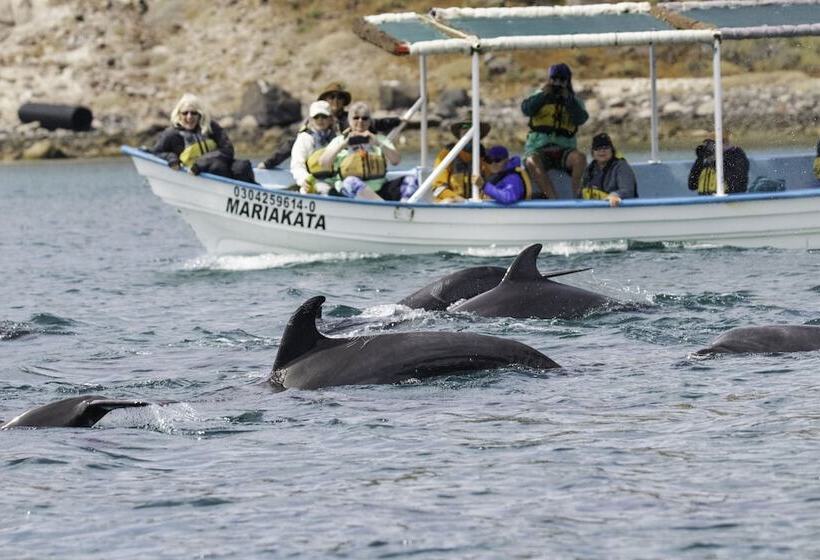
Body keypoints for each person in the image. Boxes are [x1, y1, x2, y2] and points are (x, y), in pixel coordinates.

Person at [521, 62, 589, 199]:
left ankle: (578, 196)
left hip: (564, 150)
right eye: (554, 80)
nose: (557, 84)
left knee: (580, 158)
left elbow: (581, 119)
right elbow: (526, 110)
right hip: (539, 148)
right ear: (549, 79)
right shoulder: (538, 95)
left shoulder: (574, 101)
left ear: (567, 81)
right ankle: (552, 197)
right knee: (531, 161)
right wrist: (543, 95)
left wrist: (568, 100)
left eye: (561, 80)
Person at [151, 93, 254, 182]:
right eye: (185, 113)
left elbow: (227, 149)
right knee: (217, 166)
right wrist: (171, 158)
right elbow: (156, 152)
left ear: (200, 114)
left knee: (242, 166)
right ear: (179, 114)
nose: (189, 117)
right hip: (196, 174)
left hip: (218, 172)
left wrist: (201, 164)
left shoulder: (211, 127)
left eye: (194, 113)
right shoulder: (171, 134)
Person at [258, 82, 353, 170]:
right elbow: (295, 143)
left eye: (339, 97)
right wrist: (269, 162)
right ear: (325, 100)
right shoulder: (311, 122)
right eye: (332, 97)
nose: (335, 101)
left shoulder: (352, 119)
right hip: (316, 165)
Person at [319, 101, 401, 200]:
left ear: (370, 121)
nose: (360, 121)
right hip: (351, 193)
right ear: (349, 120)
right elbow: (323, 163)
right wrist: (343, 145)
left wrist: (378, 143)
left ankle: (409, 211)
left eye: (365, 118)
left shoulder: (379, 139)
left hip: (380, 190)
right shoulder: (339, 141)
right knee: (351, 181)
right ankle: (383, 208)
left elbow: (396, 161)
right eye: (356, 118)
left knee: (412, 181)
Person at [431, 120, 490, 203]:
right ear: (459, 135)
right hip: (451, 204)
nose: (470, 138)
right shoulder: (446, 155)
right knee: (448, 201)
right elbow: (437, 187)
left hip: (477, 204)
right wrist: (458, 199)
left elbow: (491, 182)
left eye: (474, 134)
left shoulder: (485, 157)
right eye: (466, 133)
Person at [289, 100, 337, 194]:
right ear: (310, 120)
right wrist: (304, 180)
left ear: (330, 119)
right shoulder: (304, 138)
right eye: (316, 117)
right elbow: (297, 165)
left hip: (333, 182)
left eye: (324, 116)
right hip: (311, 184)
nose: (320, 120)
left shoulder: (337, 139)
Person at [580, 133, 637, 207]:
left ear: (612, 151)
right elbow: (582, 193)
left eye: (605, 147)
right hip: (593, 211)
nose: (602, 151)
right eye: (597, 148)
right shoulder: (589, 170)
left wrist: (615, 196)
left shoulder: (622, 167)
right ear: (593, 153)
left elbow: (627, 191)